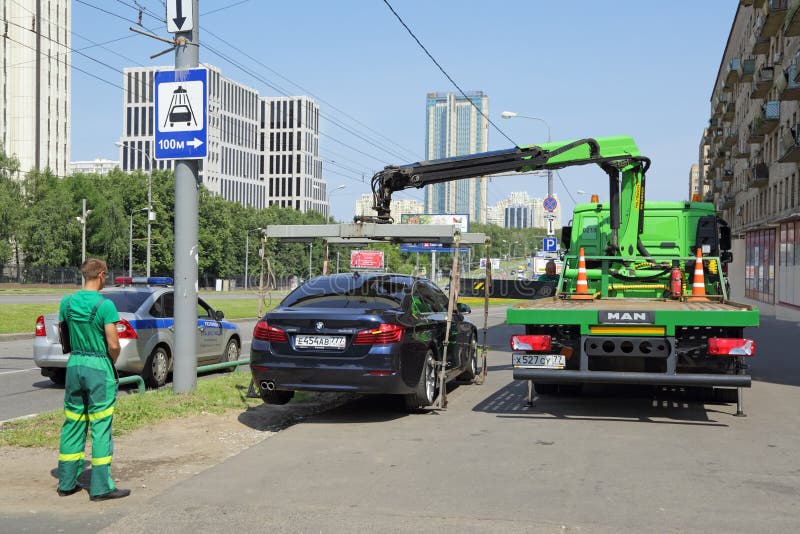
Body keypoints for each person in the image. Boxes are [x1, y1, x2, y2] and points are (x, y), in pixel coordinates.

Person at [56, 258, 130, 501]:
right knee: (100, 425)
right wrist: (113, 359)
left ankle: (66, 483)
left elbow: (64, 334)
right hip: (98, 366)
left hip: (75, 364)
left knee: (73, 422)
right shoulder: (105, 305)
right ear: (100, 275)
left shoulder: (66, 303)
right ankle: (100, 487)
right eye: (106, 275)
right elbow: (113, 344)